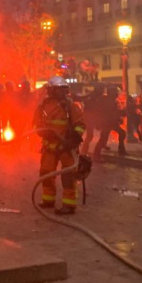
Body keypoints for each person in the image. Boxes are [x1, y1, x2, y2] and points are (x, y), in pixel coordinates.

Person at [33, 76, 85, 215]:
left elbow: (80, 124)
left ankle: (69, 204)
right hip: (49, 146)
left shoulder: (70, 106)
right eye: (59, 90)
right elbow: (37, 124)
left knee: (68, 176)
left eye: (64, 89)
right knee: (46, 172)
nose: (62, 93)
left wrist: (74, 137)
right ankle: (48, 199)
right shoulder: (43, 106)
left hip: (66, 147)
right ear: (51, 90)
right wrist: (44, 133)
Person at [93, 85, 127, 161]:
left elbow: (116, 112)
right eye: (116, 93)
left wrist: (121, 113)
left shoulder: (112, 101)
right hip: (107, 123)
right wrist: (121, 113)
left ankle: (121, 150)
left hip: (111, 122)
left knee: (122, 133)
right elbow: (111, 113)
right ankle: (96, 156)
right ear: (113, 93)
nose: (117, 94)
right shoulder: (108, 102)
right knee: (103, 140)